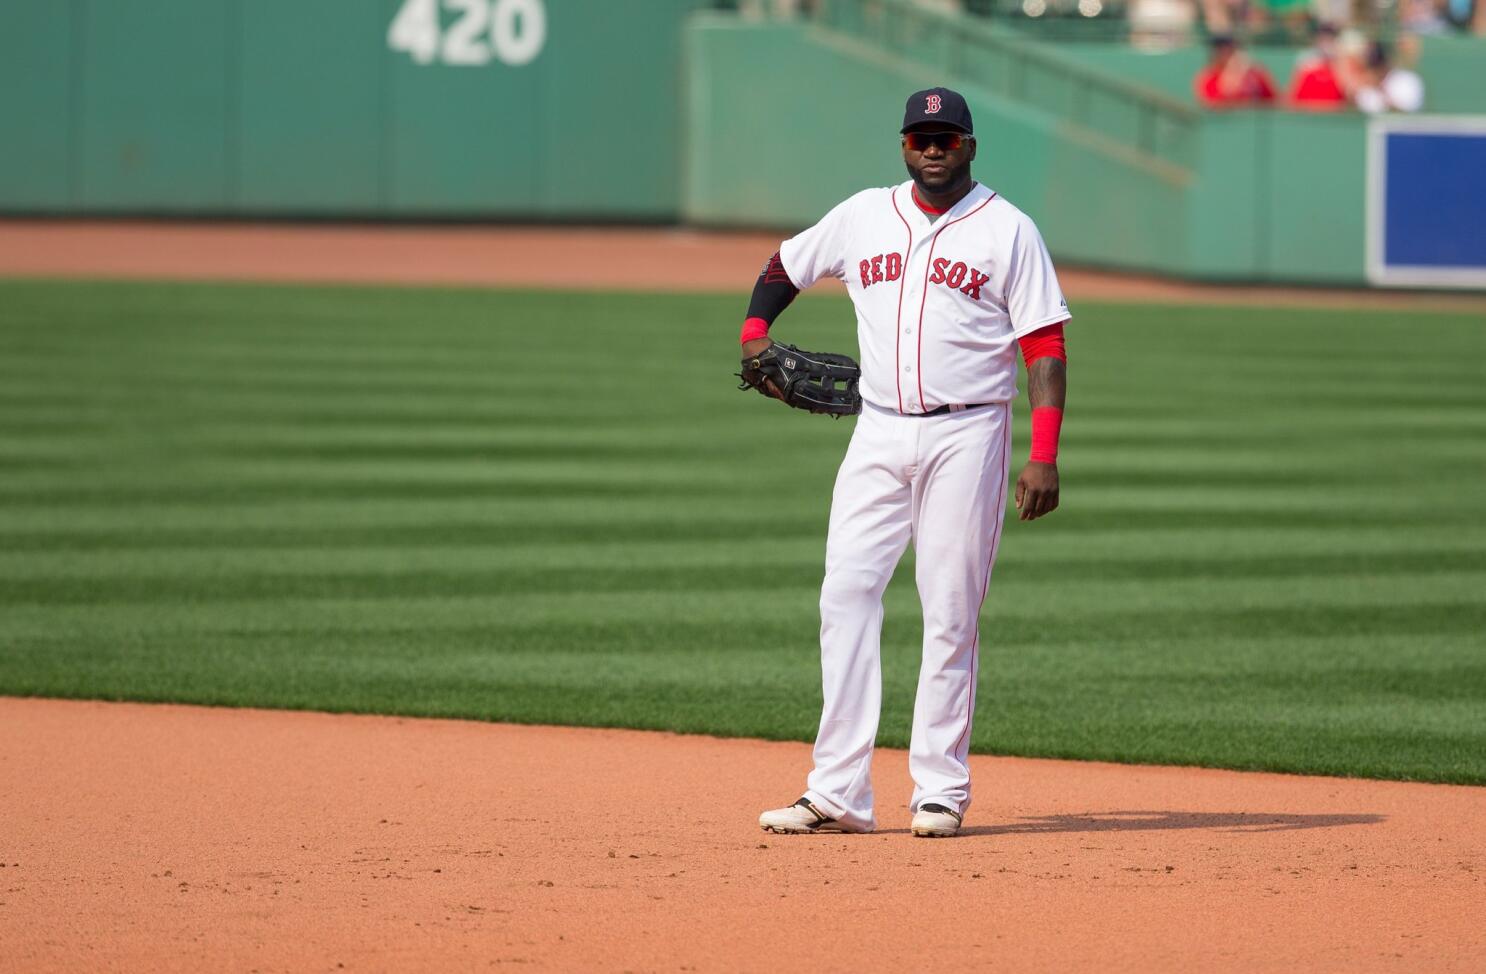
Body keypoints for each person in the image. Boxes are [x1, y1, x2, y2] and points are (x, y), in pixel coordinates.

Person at [745, 87, 1070, 838]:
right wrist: (754, 333)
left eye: (947, 138)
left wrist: (1043, 457)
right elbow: (785, 265)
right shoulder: (863, 214)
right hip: (878, 432)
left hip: (970, 435)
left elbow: (1045, 347)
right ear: (902, 145)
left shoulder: (1008, 230)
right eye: (921, 136)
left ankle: (940, 790)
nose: (932, 148)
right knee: (845, 595)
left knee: (950, 611)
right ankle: (837, 791)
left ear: (970, 147)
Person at [1194, 35, 1278, 107]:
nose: (1225, 53)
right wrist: (1232, 77)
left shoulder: (1255, 74)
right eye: (1220, 49)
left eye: (1229, 48)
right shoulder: (1209, 76)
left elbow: (1274, 102)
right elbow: (1210, 104)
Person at [1287, 22, 1349, 110]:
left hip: (1335, 108)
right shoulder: (1306, 57)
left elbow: (1346, 90)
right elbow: (1295, 90)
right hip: (1307, 107)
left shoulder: (1342, 58)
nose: (1326, 41)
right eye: (1323, 37)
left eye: (1329, 37)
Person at [1354, 39, 1426, 113]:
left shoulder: (1407, 80)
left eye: (1378, 65)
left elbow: (1412, 110)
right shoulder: (1365, 91)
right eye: (1372, 67)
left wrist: (1389, 102)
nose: (1375, 71)